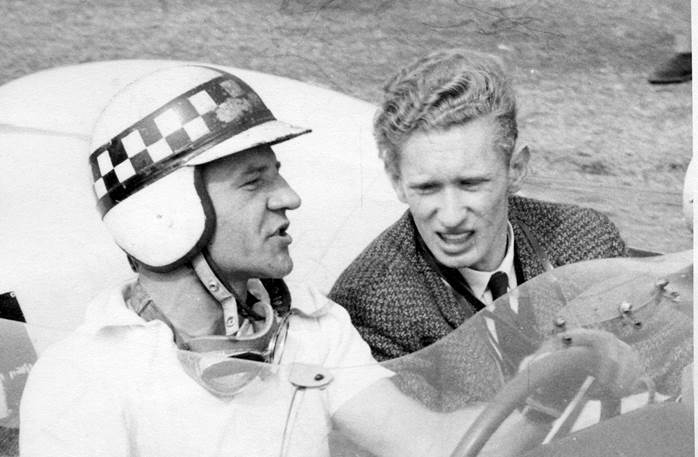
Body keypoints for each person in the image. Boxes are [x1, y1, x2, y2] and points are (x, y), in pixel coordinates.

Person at [330, 49, 627, 362]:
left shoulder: (588, 243)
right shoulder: (372, 302)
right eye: (427, 188)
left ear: (516, 169)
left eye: (471, 184)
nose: (451, 216)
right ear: (396, 181)